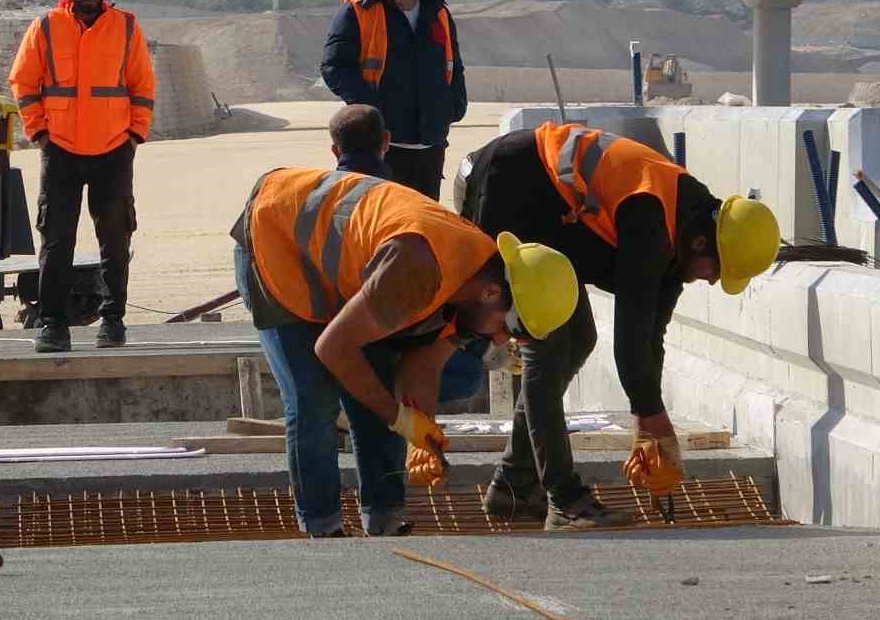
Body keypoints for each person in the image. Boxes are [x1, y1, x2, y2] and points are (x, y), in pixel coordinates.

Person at [453, 122, 780, 530]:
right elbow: (628, 338)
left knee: (579, 339)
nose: (714, 280)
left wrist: (651, 420)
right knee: (550, 347)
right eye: (718, 270)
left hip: (549, 208)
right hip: (509, 185)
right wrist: (650, 416)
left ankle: (514, 486)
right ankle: (564, 500)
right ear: (702, 244)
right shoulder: (651, 217)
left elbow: (651, 335)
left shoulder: (685, 227)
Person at [230, 165, 578, 537]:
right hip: (277, 240)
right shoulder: (418, 268)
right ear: (492, 293)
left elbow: (424, 365)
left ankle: (383, 519)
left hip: (350, 271)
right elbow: (332, 347)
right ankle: (322, 528)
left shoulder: (474, 282)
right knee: (313, 399)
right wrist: (399, 418)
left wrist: (419, 432)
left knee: (374, 388)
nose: (498, 342)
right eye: (510, 329)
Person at [9, 0, 155, 354]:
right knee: (57, 241)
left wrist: (133, 137)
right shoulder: (44, 27)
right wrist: (39, 134)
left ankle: (113, 321)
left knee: (115, 240)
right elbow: (23, 83)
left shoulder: (127, 28)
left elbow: (142, 86)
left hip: (113, 152)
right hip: (60, 152)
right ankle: (53, 324)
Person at [326, 103, 494, 408]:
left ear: (336, 152)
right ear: (387, 141)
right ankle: (363, 401)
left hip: (332, 308)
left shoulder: (326, 197)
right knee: (465, 373)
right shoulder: (395, 197)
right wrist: (395, 415)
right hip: (370, 318)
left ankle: (361, 402)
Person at [321, 0, 465, 200]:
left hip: (430, 147)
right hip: (380, 148)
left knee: (422, 227)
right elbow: (333, 67)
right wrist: (374, 110)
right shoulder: (359, 10)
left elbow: (454, 66)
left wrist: (455, 106)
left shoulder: (438, 12)